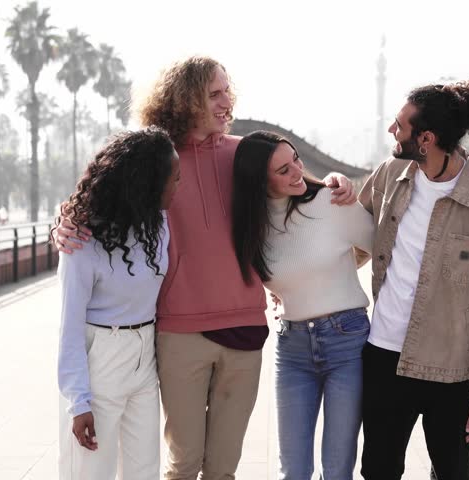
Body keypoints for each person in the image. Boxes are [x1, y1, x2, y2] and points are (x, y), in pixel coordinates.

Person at [52, 56, 357, 480]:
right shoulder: (156, 159)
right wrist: (63, 223)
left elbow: (296, 182)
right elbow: (96, 197)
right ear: (184, 98)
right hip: (179, 334)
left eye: (227, 91)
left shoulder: (245, 155)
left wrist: (338, 181)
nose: (226, 101)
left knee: (223, 468)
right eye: (214, 93)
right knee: (183, 463)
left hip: (245, 329)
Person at [357, 80, 469, 480]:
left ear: (426, 139)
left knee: (451, 473)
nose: (392, 132)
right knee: (377, 470)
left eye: (400, 125)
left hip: (450, 371)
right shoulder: (389, 175)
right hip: (384, 359)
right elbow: (351, 237)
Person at [231, 131, 373, 480]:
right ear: (258, 182)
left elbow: (381, 247)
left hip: (347, 342)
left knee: (338, 469)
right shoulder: (252, 225)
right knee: (292, 471)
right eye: (283, 170)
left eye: (295, 159)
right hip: (292, 347)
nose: (296, 171)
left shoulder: (331, 201)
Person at [56, 127, 180, 480]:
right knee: (90, 471)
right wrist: (78, 402)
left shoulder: (158, 223)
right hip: (101, 359)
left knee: (145, 470)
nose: (178, 186)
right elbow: (69, 325)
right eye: (174, 179)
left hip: (145, 355)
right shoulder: (82, 239)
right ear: (146, 183)